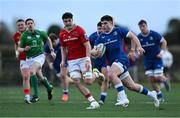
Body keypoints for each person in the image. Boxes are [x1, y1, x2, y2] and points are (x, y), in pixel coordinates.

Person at [93, 15, 159, 108]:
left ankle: (123, 98)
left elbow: (133, 36)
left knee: (111, 73)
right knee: (131, 86)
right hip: (114, 63)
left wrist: (137, 47)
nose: (103, 25)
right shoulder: (101, 37)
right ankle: (152, 95)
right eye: (102, 23)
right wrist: (94, 52)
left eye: (105, 23)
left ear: (111, 23)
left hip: (122, 59)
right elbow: (94, 50)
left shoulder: (118, 30)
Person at [59, 12, 100, 109]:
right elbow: (63, 48)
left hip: (83, 59)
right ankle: (93, 102)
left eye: (69, 20)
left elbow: (87, 45)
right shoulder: (62, 33)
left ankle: (96, 73)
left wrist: (87, 59)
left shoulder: (80, 30)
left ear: (72, 20)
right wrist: (63, 60)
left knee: (88, 82)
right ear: (63, 22)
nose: (68, 23)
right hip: (72, 61)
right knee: (76, 81)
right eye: (66, 21)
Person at [18, 18, 56, 103]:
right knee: (40, 76)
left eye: (31, 23)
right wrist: (24, 49)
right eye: (28, 24)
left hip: (39, 57)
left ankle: (35, 95)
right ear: (26, 26)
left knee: (32, 72)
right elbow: (19, 48)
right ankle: (49, 88)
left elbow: (48, 39)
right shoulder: (24, 35)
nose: (30, 25)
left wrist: (52, 50)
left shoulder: (41, 33)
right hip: (29, 59)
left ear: (34, 24)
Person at [137, 20, 170, 102]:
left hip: (157, 59)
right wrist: (138, 52)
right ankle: (160, 96)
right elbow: (138, 48)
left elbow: (164, 42)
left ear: (146, 26)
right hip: (147, 60)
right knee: (151, 80)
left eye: (143, 26)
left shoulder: (154, 34)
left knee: (158, 77)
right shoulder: (138, 37)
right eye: (140, 27)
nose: (142, 28)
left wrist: (162, 52)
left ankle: (165, 80)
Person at [44, 33, 73, 102]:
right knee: (64, 79)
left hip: (65, 61)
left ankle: (65, 94)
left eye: (52, 43)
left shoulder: (62, 42)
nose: (51, 45)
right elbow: (46, 55)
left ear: (55, 40)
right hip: (56, 64)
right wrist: (49, 63)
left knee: (63, 76)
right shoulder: (48, 45)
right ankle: (76, 80)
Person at [89, 22, 109, 105]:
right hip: (95, 61)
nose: (101, 30)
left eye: (102, 28)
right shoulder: (92, 37)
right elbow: (88, 48)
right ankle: (107, 84)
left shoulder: (107, 36)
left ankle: (102, 99)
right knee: (100, 81)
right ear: (97, 28)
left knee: (105, 79)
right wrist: (92, 53)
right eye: (99, 29)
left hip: (105, 61)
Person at [12, 19, 31, 104]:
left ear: (25, 25)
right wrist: (16, 52)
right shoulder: (16, 35)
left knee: (35, 76)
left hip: (33, 58)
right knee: (25, 77)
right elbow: (16, 44)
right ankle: (27, 96)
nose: (20, 26)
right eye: (19, 25)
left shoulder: (30, 33)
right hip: (23, 59)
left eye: (22, 24)